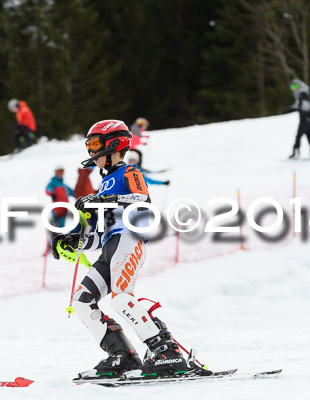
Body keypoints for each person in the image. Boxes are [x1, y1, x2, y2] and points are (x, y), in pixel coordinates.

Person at [51, 120, 207, 378]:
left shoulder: (129, 172)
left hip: (129, 240)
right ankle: (122, 356)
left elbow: (142, 199)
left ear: (113, 144)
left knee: (121, 298)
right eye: (88, 145)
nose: (91, 152)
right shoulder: (104, 184)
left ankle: (166, 352)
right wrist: (73, 240)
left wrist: (101, 200)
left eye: (94, 144)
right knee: (81, 301)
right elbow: (100, 236)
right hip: (110, 247)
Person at [283, 79, 310, 158]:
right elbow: (298, 105)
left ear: (298, 86)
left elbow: (305, 106)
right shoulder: (303, 93)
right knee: (309, 134)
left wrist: (294, 110)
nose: (293, 89)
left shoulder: (302, 93)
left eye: (294, 86)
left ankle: (296, 152)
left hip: (306, 116)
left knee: (299, 135)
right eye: (292, 87)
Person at [45, 166, 75, 233]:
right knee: (56, 228)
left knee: (61, 227)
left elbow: (73, 193)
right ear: (56, 173)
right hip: (57, 209)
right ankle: (52, 241)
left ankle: (58, 240)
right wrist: (52, 193)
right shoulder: (53, 182)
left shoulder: (64, 185)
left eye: (62, 172)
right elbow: (47, 189)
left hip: (64, 209)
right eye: (59, 172)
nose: (61, 174)